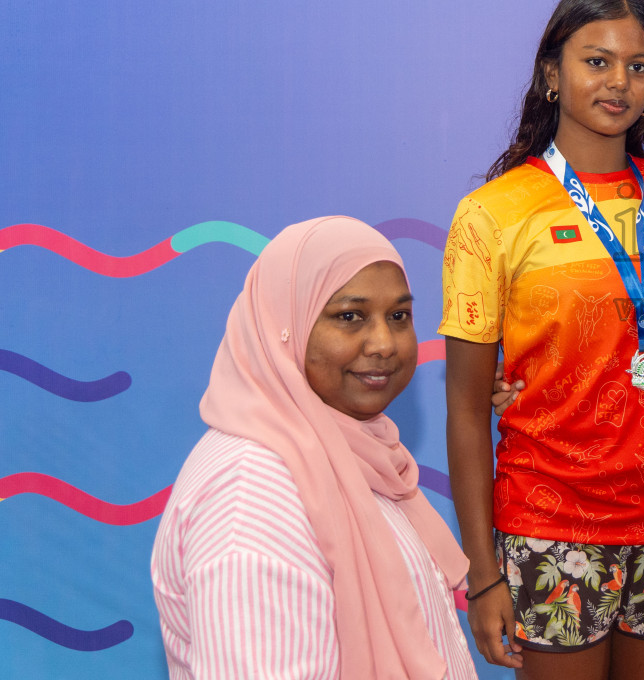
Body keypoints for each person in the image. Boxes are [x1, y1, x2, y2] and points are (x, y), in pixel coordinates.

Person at [442, 0, 644, 679]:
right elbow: (465, 410)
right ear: (550, 74)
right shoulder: (494, 213)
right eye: (596, 61)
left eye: (640, 65)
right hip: (552, 519)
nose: (620, 82)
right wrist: (483, 576)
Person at [150, 216, 476, 680]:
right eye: (350, 316)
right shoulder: (252, 499)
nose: (385, 343)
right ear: (287, 325)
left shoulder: (348, 452)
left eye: (399, 316)